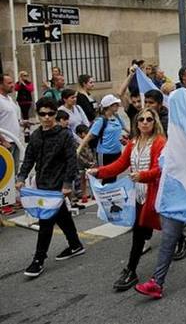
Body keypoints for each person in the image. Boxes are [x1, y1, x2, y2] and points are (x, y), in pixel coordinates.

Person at [88, 108, 166, 291]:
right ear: (136, 123)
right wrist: (98, 172)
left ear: (154, 122)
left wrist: (143, 176)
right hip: (139, 196)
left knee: (160, 227)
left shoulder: (160, 142)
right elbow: (120, 164)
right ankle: (131, 269)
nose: (145, 122)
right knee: (140, 231)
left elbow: (159, 170)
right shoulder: (133, 142)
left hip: (156, 194)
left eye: (149, 119)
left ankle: (131, 269)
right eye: (141, 119)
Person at [16, 97, 84, 277]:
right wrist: (21, 177)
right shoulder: (36, 135)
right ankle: (75, 244)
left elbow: (71, 161)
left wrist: (67, 184)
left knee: (46, 221)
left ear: (55, 113)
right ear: (38, 115)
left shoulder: (64, 135)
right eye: (42, 114)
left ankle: (38, 260)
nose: (46, 117)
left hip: (58, 185)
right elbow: (29, 158)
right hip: (42, 184)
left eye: (50, 113)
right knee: (62, 216)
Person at [76, 95, 126, 167]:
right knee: (105, 176)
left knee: (114, 176)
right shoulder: (101, 121)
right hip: (105, 154)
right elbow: (90, 135)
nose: (118, 106)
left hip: (117, 153)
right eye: (116, 104)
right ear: (109, 106)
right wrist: (79, 149)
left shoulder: (116, 117)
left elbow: (124, 129)